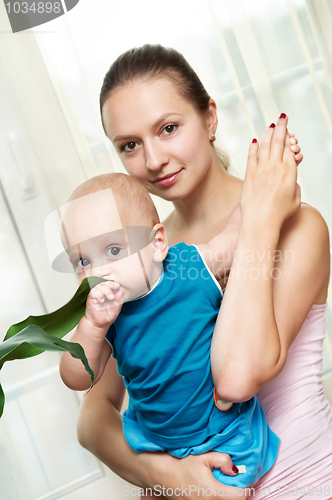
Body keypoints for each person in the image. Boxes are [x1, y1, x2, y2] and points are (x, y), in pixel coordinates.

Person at [76, 45, 332, 500]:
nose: (153, 159)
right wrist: (176, 480)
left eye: (169, 128)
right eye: (129, 145)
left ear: (210, 117)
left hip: (304, 484)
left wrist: (258, 219)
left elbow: (236, 376)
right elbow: (93, 418)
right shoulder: (136, 261)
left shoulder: (298, 228)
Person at [59, 173, 280, 491]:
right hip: (156, 445)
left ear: (157, 243)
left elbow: (238, 236)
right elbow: (76, 377)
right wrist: (92, 327)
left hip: (224, 432)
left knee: (230, 489)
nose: (97, 271)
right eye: (82, 260)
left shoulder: (190, 266)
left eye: (112, 251)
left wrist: (266, 189)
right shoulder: (105, 318)